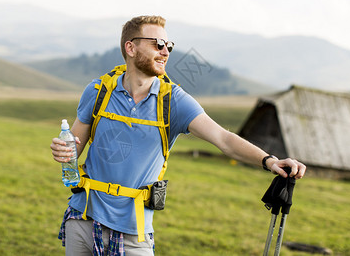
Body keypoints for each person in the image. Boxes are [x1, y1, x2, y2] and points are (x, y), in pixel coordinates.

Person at [51, 15, 306, 256]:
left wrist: (270, 161)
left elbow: (223, 139)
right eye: (158, 44)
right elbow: (73, 149)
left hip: (133, 232)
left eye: (169, 46)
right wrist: (63, 151)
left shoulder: (174, 101)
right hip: (82, 219)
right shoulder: (98, 91)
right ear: (130, 48)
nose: (166, 52)